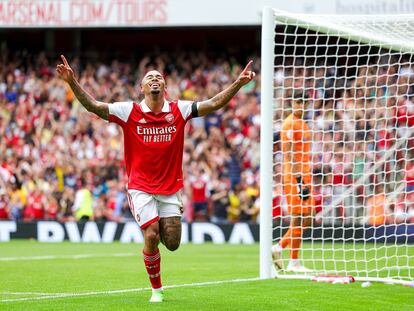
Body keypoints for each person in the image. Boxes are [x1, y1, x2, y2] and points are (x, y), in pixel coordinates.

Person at [56, 55, 255, 302]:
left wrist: (237, 83)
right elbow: (94, 106)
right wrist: (72, 82)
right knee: (151, 234)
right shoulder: (129, 110)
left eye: (159, 77)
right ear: (142, 88)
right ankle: (156, 290)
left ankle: (157, 237)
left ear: (164, 86)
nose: (154, 79)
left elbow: (213, 103)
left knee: (171, 242)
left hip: (170, 188)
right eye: (149, 77)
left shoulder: (178, 109)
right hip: (140, 186)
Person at [272, 90, 314, 273]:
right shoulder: (290, 124)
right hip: (294, 176)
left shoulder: (303, 124)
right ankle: (293, 261)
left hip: (305, 174)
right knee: (298, 217)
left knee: (309, 216)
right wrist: (298, 179)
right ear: (292, 104)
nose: (301, 106)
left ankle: (279, 247)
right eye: (298, 102)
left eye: (304, 103)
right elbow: (288, 154)